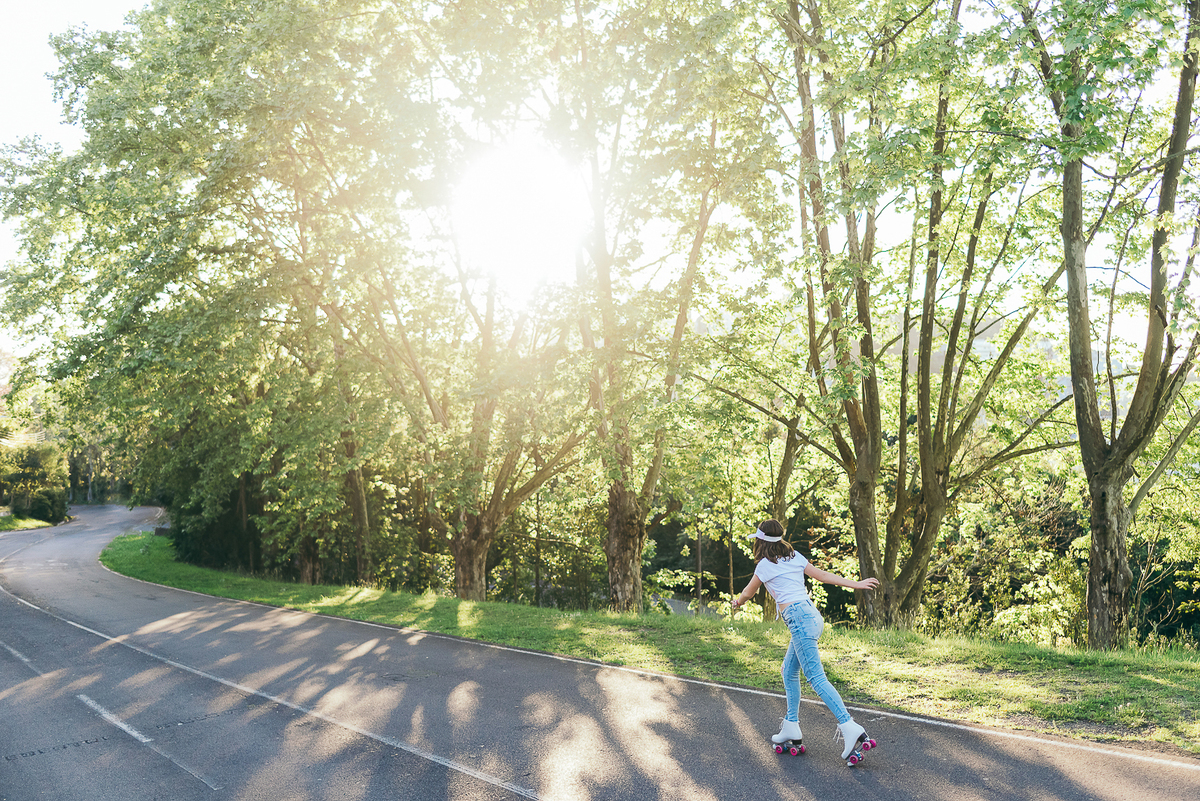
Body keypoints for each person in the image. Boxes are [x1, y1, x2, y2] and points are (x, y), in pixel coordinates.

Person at [731, 519, 881, 763]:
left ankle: (849, 726)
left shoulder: (763, 566)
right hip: (811, 616)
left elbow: (748, 593)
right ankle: (791, 724)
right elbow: (822, 576)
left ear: (760, 541)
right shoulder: (793, 556)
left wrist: (738, 602)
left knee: (816, 678)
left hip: (799, 620)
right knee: (788, 671)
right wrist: (856, 584)